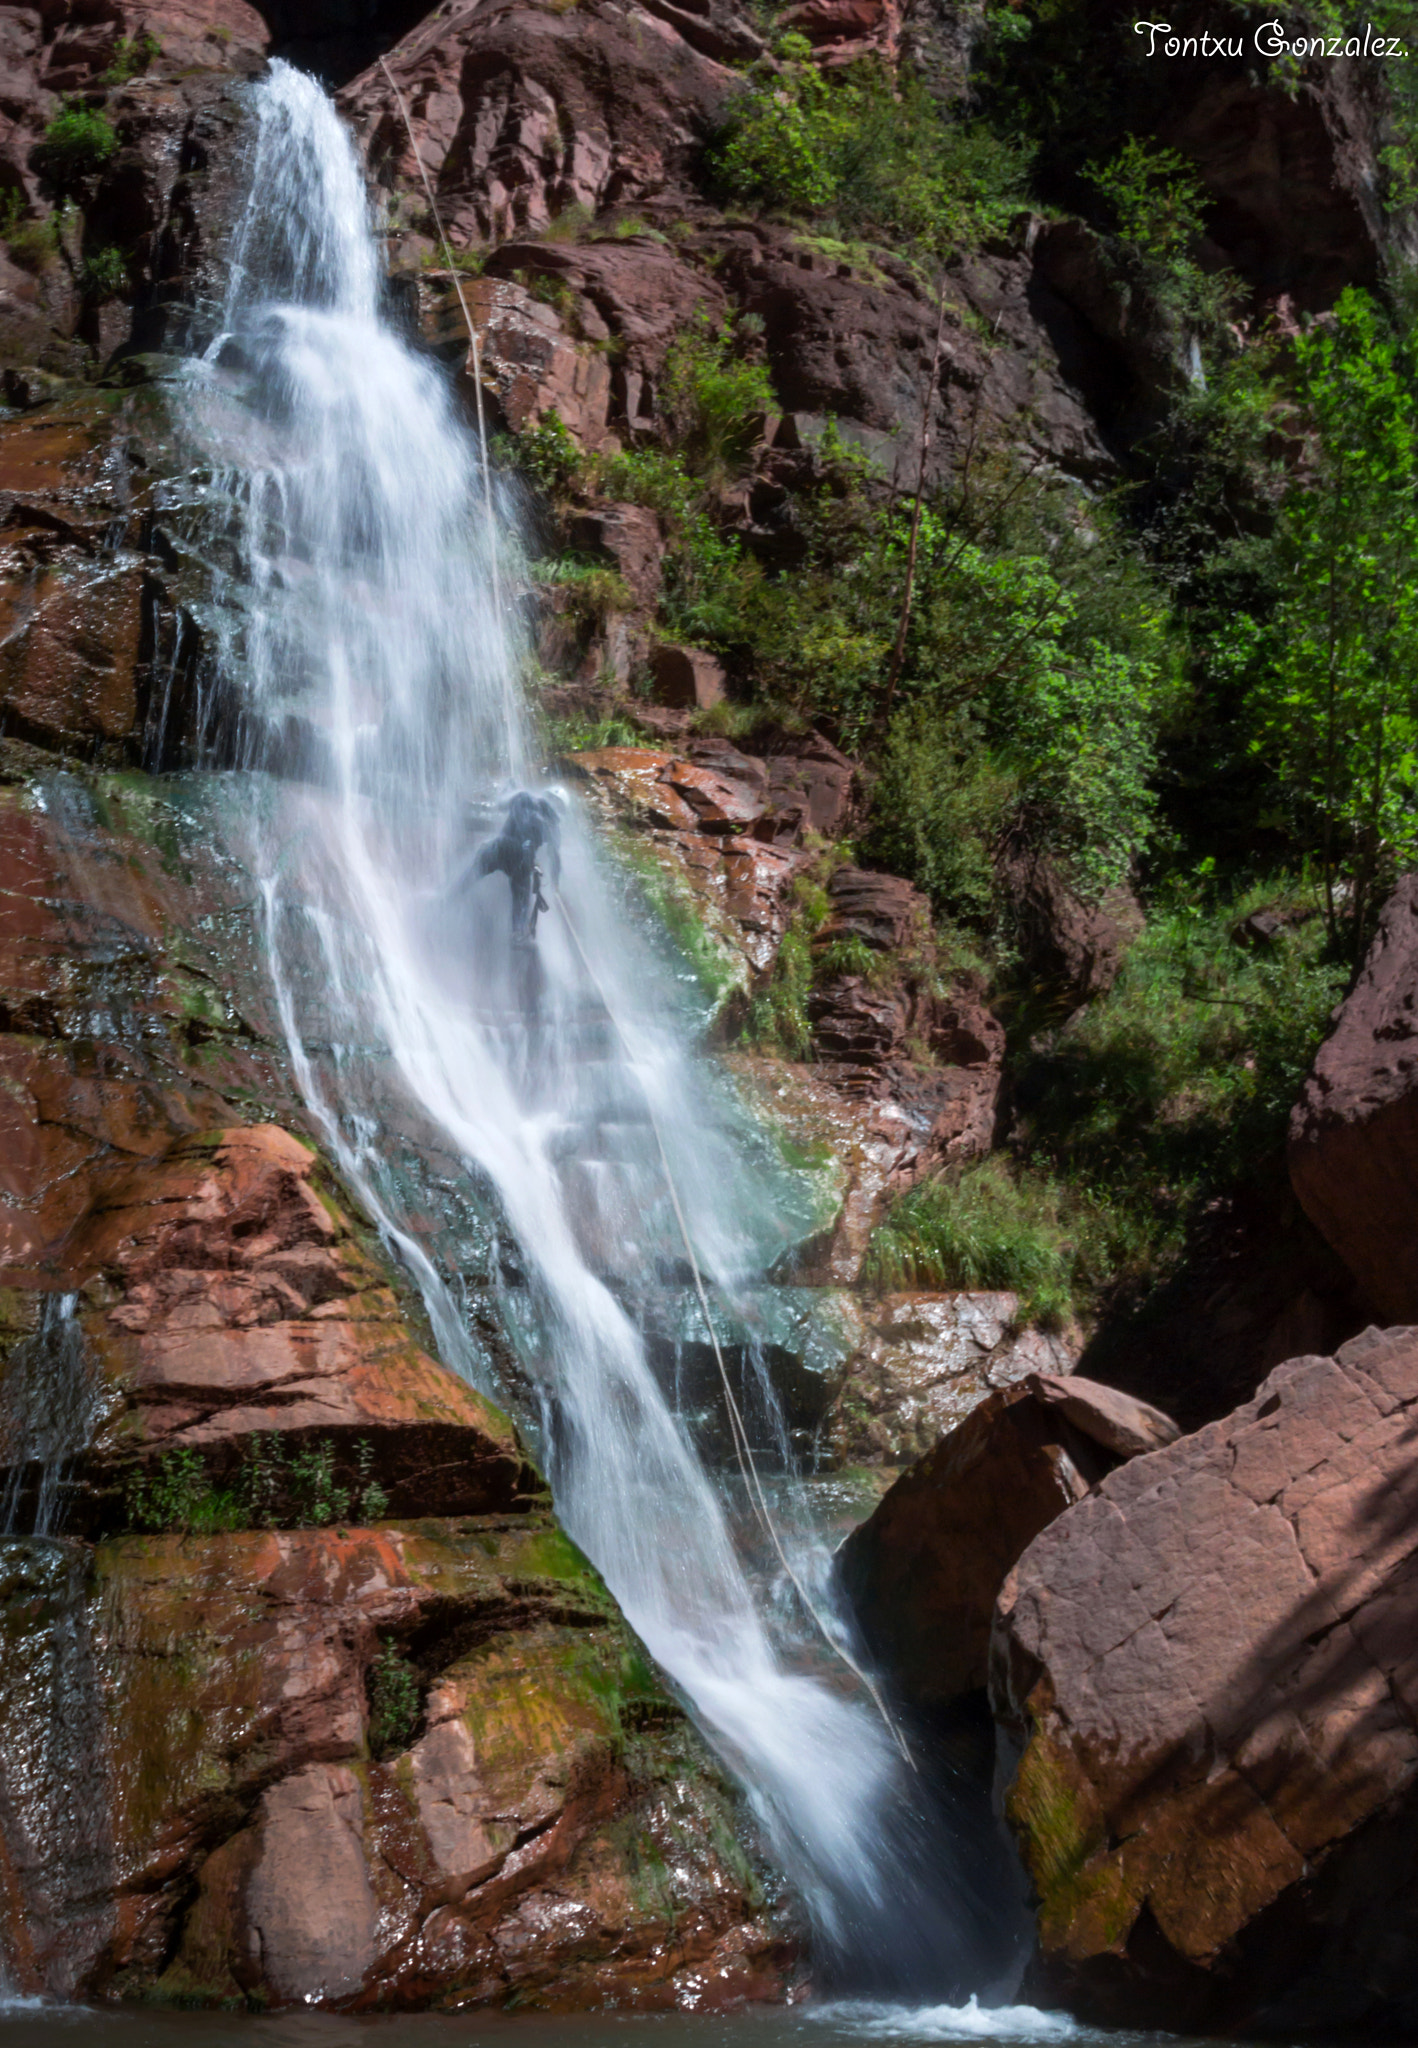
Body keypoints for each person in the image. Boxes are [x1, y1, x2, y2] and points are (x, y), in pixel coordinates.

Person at [453, 787, 564, 945]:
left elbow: (501, 805)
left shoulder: (523, 797)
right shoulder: (553, 826)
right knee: (522, 892)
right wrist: (555, 883)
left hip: (498, 847)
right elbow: (555, 857)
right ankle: (517, 932)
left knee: (470, 876)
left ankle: (447, 898)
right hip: (520, 858)